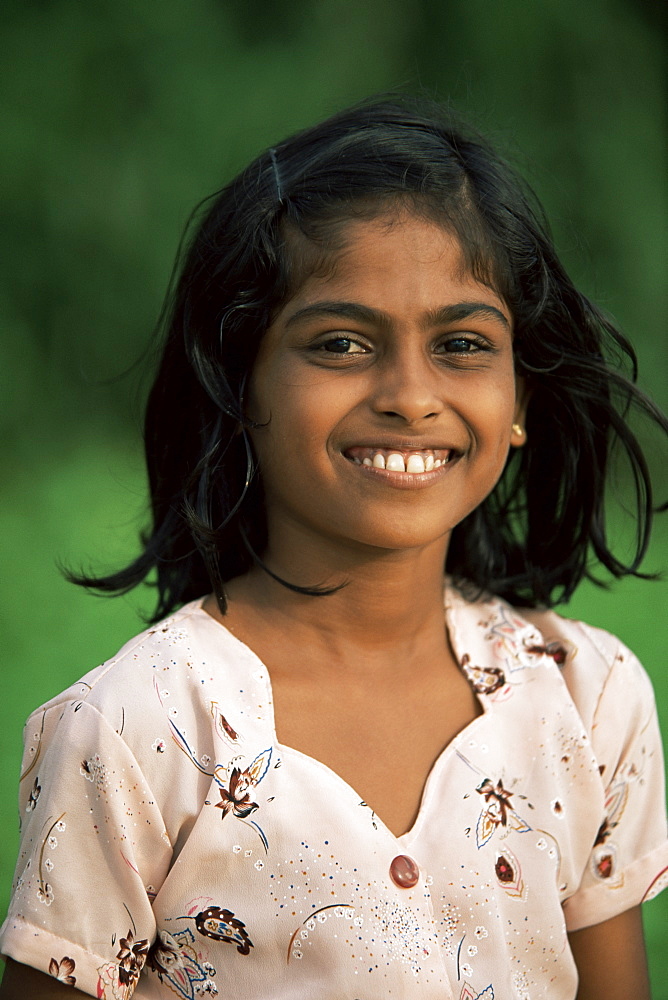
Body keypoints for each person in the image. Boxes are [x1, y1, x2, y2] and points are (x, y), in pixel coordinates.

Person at [0, 96, 666, 1000]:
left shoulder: (588, 699)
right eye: (342, 343)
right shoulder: (134, 729)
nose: (410, 394)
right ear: (241, 383)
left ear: (519, 404)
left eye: (463, 344)